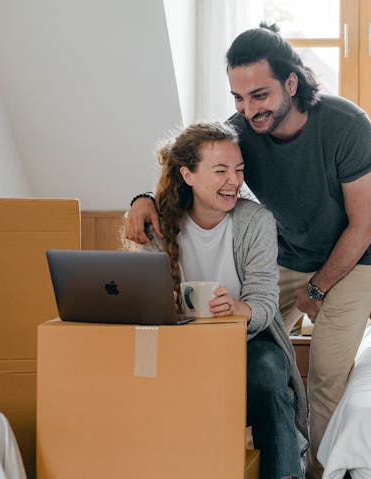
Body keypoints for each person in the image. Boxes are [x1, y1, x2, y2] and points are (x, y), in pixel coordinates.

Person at [125, 23, 371, 479]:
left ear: (292, 82)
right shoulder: (241, 132)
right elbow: (185, 161)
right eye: (238, 98)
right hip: (290, 249)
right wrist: (141, 200)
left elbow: (364, 223)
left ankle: (321, 471)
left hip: (356, 254)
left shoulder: (347, 126)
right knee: (258, 347)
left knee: (325, 375)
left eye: (260, 95)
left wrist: (317, 290)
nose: (249, 110)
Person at [128, 121, 307, 479]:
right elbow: (143, 298)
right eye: (221, 170)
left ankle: (285, 473)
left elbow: (265, 300)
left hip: (246, 342)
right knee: (136, 370)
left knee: (269, 371)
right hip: (178, 345)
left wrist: (240, 310)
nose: (234, 181)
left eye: (239, 170)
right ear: (188, 175)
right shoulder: (158, 221)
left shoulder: (255, 221)